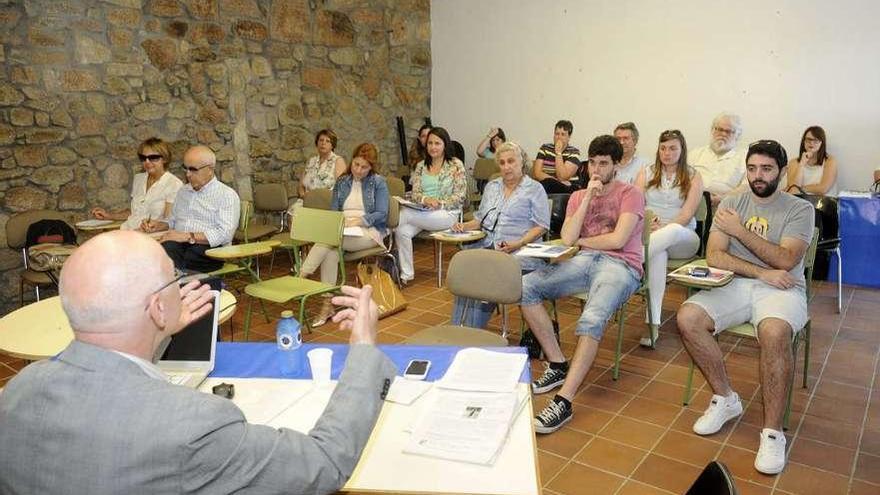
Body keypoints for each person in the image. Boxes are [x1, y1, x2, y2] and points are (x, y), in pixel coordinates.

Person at [0, 230, 397, 493]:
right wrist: (362, 349)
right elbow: (324, 463)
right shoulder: (193, 425)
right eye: (173, 279)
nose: (180, 284)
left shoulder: (18, 391)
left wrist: (160, 331)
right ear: (157, 307)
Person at [677, 140, 813, 475]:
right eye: (752, 168)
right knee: (688, 317)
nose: (758, 176)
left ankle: (772, 432)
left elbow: (786, 259)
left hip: (784, 289)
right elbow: (715, 256)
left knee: (774, 331)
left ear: (782, 171)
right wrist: (760, 270)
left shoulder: (799, 209)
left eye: (766, 169)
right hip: (739, 283)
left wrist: (740, 232)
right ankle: (726, 398)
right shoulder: (733, 202)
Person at [524, 135, 645, 434]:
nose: (596, 169)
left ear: (616, 165)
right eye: (592, 162)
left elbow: (618, 240)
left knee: (590, 318)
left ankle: (563, 400)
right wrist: (589, 197)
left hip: (621, 265)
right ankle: (557, 363)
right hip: (584, 260)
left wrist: (581, 242)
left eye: (603, 163)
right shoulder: (579, 196)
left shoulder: (630, 193)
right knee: (526, 287)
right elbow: (566, 239)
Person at [449, 142, 550, 327]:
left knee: (484, 275)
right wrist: (463, 226)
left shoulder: (535, 189)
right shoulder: (492, 186)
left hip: (520, 253)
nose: (506, 167)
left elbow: (541, 226)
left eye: (511, 161)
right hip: (489, 248)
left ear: (522, 162)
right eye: (502, 163)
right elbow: (480, 220)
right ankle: (457, 328)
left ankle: (470, 333)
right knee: (465, 272)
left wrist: (518, 243)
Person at [300, 147, 390, 327]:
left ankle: (302, 275)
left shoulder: (378, 182)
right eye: (356, 164)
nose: (358, 170)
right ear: (352, 161)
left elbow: (382, 213)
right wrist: (341, 223)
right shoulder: (342, 181)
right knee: (331, 250)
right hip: (342, 232)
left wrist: (360, 221)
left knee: (328, 240)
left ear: (371, 167)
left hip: (369, 231)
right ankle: (327, 305)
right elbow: (335, 211)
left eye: (364, 167)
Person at [634, 130, 703, 346]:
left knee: (671, 232)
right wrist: (648, 222)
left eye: (673, 148)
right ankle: (653, 325)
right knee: (658, 255)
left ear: (682, 150)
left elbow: (687, 213)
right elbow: (636, 205)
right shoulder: (646, 172)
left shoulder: (693, 175)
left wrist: (662, 228)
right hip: (654, 241)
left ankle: (631, 260)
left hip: (684, 238)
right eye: (663, 148)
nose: (667, 152)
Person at [142, 145, 240, 273]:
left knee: (168, 252)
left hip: (210, 249)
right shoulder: (184, 191)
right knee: (156, 249)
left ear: (210, 169)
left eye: (193, 169)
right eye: (186, 168)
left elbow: (225, 234)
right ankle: (175, 283)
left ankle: (174, 282)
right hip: (179, 245)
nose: (188, 174)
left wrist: (187, 236)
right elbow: (172, 221)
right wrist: (158, 225)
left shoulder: (226, 195)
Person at [395, 127, 467, 284]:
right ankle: (406, 275)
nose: (433, 147)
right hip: (423, 213)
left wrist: (439, 203)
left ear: (445, 145)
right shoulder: (421, 166)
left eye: (437, 143)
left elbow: (460, 197)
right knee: (402, 230)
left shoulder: (455, 164)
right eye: (430, 143)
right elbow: (414, 193)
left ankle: (385, 245)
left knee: (402, 215)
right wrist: (425, 200)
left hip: (447, 214)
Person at [91, 137, 183, 230]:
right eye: (143, 158)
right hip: (127, 230)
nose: (147, 162)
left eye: (153, 158)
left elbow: (169, 222)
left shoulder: (174, 184)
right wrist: (108, 215)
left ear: (165, 159)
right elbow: (135, 213)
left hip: (152, 237)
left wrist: (151, 227)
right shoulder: (139, 179)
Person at [689, 113, 747, 207]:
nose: (723, 134)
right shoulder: (694, 154)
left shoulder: (745, 158)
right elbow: (682, 180)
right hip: (694, 205)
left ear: (737, 135)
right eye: (719, 129)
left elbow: (747, 187)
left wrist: (725, 198)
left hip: (729, 207)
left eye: (728, 131)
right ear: (712, 130)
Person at [532, 120, 582, 194]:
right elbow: (537, 173)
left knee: (546, 185)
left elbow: (562, 176)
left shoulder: (574, 152)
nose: (559, 137)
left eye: (563, 134)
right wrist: (556, 181)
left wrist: (558, 152)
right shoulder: (545, 148)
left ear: (569, 137)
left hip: (568, 188)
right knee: (544, 184)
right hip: (547, 185)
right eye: (557, 134)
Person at [786, 126, 838, 196]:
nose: (811, 143)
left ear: (821, 143)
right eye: (808, 139)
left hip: (824, 204)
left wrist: (801, 189)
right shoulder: (794, 162)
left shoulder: (830, 161)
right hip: (800, 204)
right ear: (803, 141)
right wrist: (802, 164)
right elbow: (793, 189)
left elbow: (823, 189)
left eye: (816, 140)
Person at [298, 129, 347, 198]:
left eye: (328, 141)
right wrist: (303, 195)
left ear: (332, 145)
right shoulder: (311, 160)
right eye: (321, 140)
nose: (323, 143)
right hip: (305, 202)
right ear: (317, 143)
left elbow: (342, 189)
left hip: (326, 205)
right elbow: (301, 186)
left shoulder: (338, 161)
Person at [405, 123, 432, 188]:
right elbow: (413, 180)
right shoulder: (415, 155)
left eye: (429, 135)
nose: (426, 138)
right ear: (419, 138)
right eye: (423, 136)